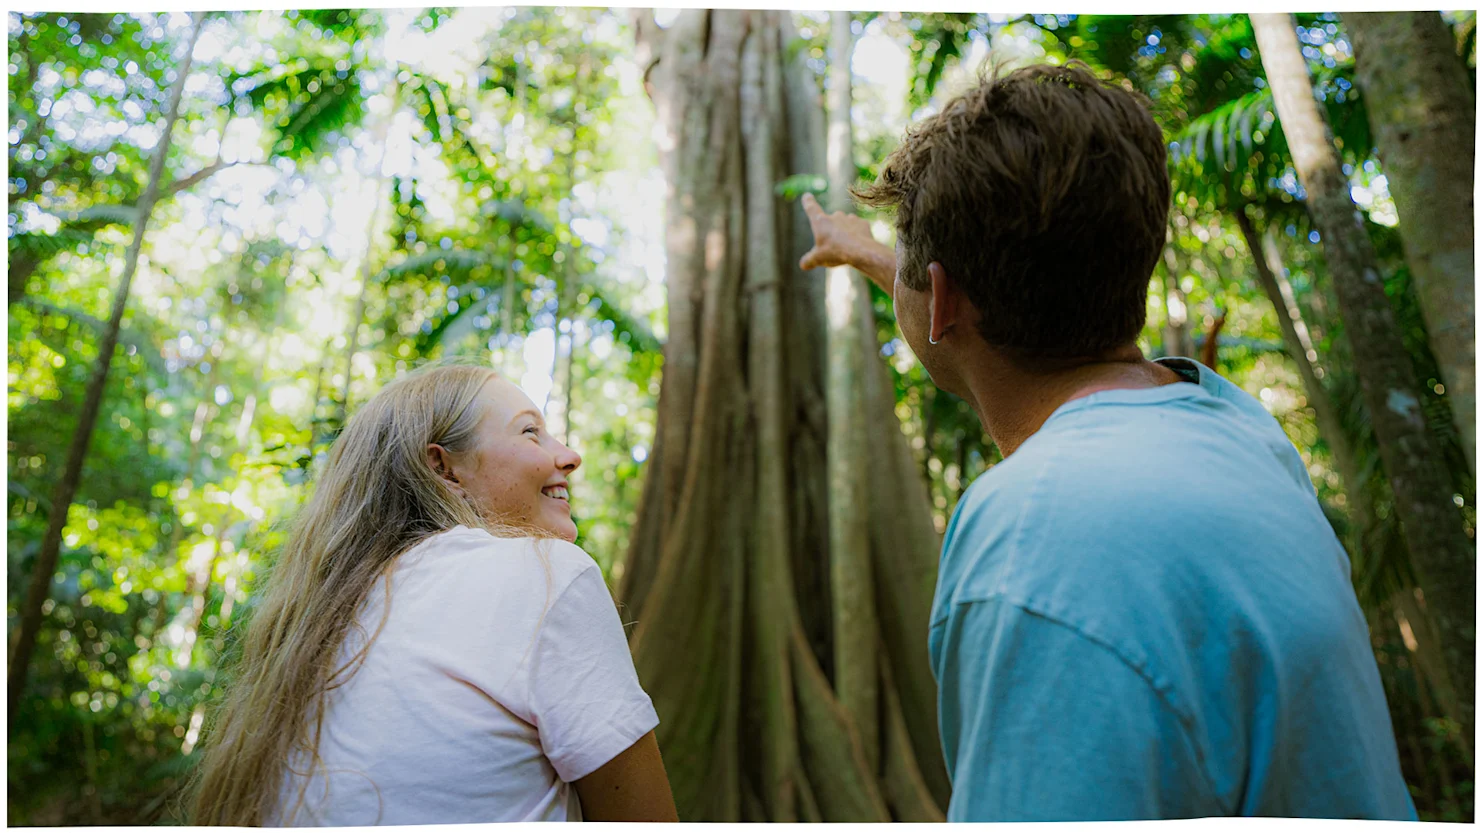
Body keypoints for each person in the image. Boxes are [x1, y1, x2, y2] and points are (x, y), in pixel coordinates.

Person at [799, 62, 1416, 821]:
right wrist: (867, 251)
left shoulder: (1034, 544)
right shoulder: (1234, 424)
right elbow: (953, 303)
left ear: (943, 296)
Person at [190, 363, 678, 825]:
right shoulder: (546, 572)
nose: (569, 456)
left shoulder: (317, 619)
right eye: (531, 431)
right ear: (444, 469)